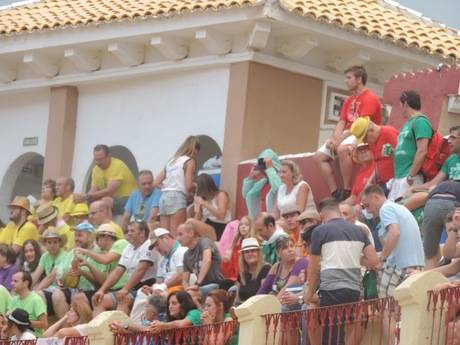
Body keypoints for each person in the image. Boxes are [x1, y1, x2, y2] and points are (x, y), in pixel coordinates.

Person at [304, 199, 378, 345]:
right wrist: (355, 257)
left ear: (322, 216)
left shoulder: (320, 231)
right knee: (340, 334)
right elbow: (374, 261)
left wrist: (309, 294)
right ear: (338, 211)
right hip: (353, 290)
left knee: (331, 337)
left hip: (331, 290)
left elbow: (313, 270)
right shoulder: (358, 230)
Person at [315, 66, 382, 201]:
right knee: (319, 156)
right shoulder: (348, 100)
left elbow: (359, 127)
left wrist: (338, 142)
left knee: (342, 149)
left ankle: (346, 189)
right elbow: (341, 122)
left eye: (349, 78)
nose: (346, 81)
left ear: (359, 79)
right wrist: (334, 139)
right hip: (347, 134)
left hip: (364, 134)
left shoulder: (370, 98)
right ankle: (335, 192)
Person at [361, 185, 425, 296]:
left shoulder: (386, 209)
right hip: (414, 264)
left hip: (401, 265)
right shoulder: (398, 208)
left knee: (387, 304)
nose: (368, 211)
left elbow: (395, 233)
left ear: (376, 198)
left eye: (367, 205)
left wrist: (382, 259)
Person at [92, 220, 159, 315]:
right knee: (100, 300)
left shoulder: (148, 245)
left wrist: (125, 289)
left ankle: (120, 329)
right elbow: (117, 272)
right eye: (128, 231)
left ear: (142, 233)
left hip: (147, 286)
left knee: (123, 299)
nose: (129, 234)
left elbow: (141, 270)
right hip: (133, 288)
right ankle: (98, 329)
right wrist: (102, 290)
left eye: (132, 231)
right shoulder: (128, 248)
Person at [130, 228, 187, 323]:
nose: (156, 249)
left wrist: (162, 287)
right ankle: (136, 329)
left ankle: (137, 329)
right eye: (154, 247)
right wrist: (153, 289)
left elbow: (181, 275)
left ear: (166, 238)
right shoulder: (162, 261)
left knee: (150, 300)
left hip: (178, 289)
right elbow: (158, 282)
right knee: (142, 292)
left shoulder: (181, 251)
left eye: (157, 244)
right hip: (166, 290)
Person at [389, 90, 433, 201]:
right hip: (399, 176)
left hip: (409, 177)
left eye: (401, 105)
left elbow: (422, 151)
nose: (400, 110)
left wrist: (411, 176)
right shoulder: (408, 123)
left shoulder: (421, 122)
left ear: (405, 104)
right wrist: (393, 152)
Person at [155, 136, 200, 235]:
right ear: (195, 150)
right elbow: (188, 185)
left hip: (164, 197)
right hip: (177, 196)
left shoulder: (172, 161)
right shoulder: (189, 161)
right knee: (177, 235)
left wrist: (168, 188)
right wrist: (197, 185)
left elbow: (156, 182)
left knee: (165, 235)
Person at [76, 144, 137, 216]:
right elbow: (93, 190)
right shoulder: (96, 169)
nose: (98, 163)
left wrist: (87, 196)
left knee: (106, 200)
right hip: (113, 200)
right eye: (96, 159)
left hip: (129, 199)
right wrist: (85, 198)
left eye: (100, 159)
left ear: (108, 157)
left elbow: (109, 191)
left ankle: (107, 225)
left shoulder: (117, 165)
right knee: (84, 203)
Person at [258, 236, 308, 312]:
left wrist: (269, 309)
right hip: (280, 303)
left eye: (291, 246)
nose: (290, 250)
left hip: (297, 303)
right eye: (285, 248)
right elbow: (262, 291)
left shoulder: (301, 263)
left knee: (280, 310)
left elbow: (286, 289)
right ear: (278, 253)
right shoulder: (276, 267)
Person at [350, 116, 399, 193]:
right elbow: (378, 165)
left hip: (396, 181)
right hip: (384, 183)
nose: (365, 142)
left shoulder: (388, 133)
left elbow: (403, 157)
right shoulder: (372, 141)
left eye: (364, 138)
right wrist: (369, 182)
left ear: (371, 130)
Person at [177, 221, 223, 296]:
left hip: (216, 284)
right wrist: (187, 292)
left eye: (180, 234)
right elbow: (184, 281)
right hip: (200, 287)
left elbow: (207, 260)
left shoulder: (205, 242)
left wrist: (197, 283)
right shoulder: (186, 255)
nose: (178, 238)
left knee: (193, 294)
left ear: (191, 233)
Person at [32, 228, 69, 319]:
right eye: (49, 242)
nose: (52, 245)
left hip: (64, 288)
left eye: (55, 242)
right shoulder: (45, 256)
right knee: (38, 295)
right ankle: (43, 327)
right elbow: (36, 275)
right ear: (45, 244)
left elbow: (51, 277)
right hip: (50, 289)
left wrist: (34, 292)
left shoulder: (64, 255)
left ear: (59, 243)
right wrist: (27, 287)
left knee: (37, 294)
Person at [421, 181, 460, 269]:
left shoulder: (442, 185)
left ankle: (429, 280)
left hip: (431, 204)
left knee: (431, 256)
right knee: (453, 246)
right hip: (452, 202)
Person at [189, 173, 231, 241]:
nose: (196, 191)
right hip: (207, 224)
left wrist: (205, 203)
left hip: (220, 227)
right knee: (189, 224)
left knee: (190, 221)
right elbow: (197, 218)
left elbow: (221, 216)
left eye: (197, 188)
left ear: (203, 187)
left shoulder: (221, 195)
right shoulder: (200, 197)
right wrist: (197, 207)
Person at [242, 149, 282, 218]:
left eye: (265, 168)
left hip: (273, 221)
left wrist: (270, 169)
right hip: (258, 221)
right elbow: (245, 195)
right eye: (263, 169)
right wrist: (250, 177)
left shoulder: (280, 181)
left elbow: (279, 189)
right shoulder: (262, 182)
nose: (264, 170)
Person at [237, 238, 271, 303]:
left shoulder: (266, 269)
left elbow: (264, 295)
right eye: (246, 252)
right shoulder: (242, 272)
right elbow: (237, 299)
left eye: (253, 251)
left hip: (259, 307)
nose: (250, 254)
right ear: (243, 256)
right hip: (243, 308)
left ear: (259, 253)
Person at [221, 216, 254, 281]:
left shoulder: (254, 246)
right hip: (234, 279)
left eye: (246, 225)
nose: (243, 226)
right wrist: (226, 262)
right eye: (241, 224)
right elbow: (227, 274)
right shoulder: (236, 248)